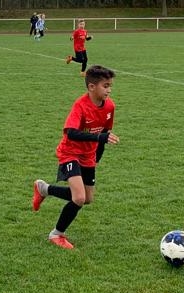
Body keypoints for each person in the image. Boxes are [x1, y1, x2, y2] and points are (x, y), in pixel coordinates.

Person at [32, 65, 119, 250]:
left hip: (88, 155)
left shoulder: (110, 106)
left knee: (87, 198)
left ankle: (44, 189)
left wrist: (96, 158)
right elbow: (71, 132)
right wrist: (99, 137)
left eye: (110, 86)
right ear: (91, 87)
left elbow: (104, 133)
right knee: (78, 198)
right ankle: (56, 234)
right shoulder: (80, 105)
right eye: (105, 86)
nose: (109, 90)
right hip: (69, 152)